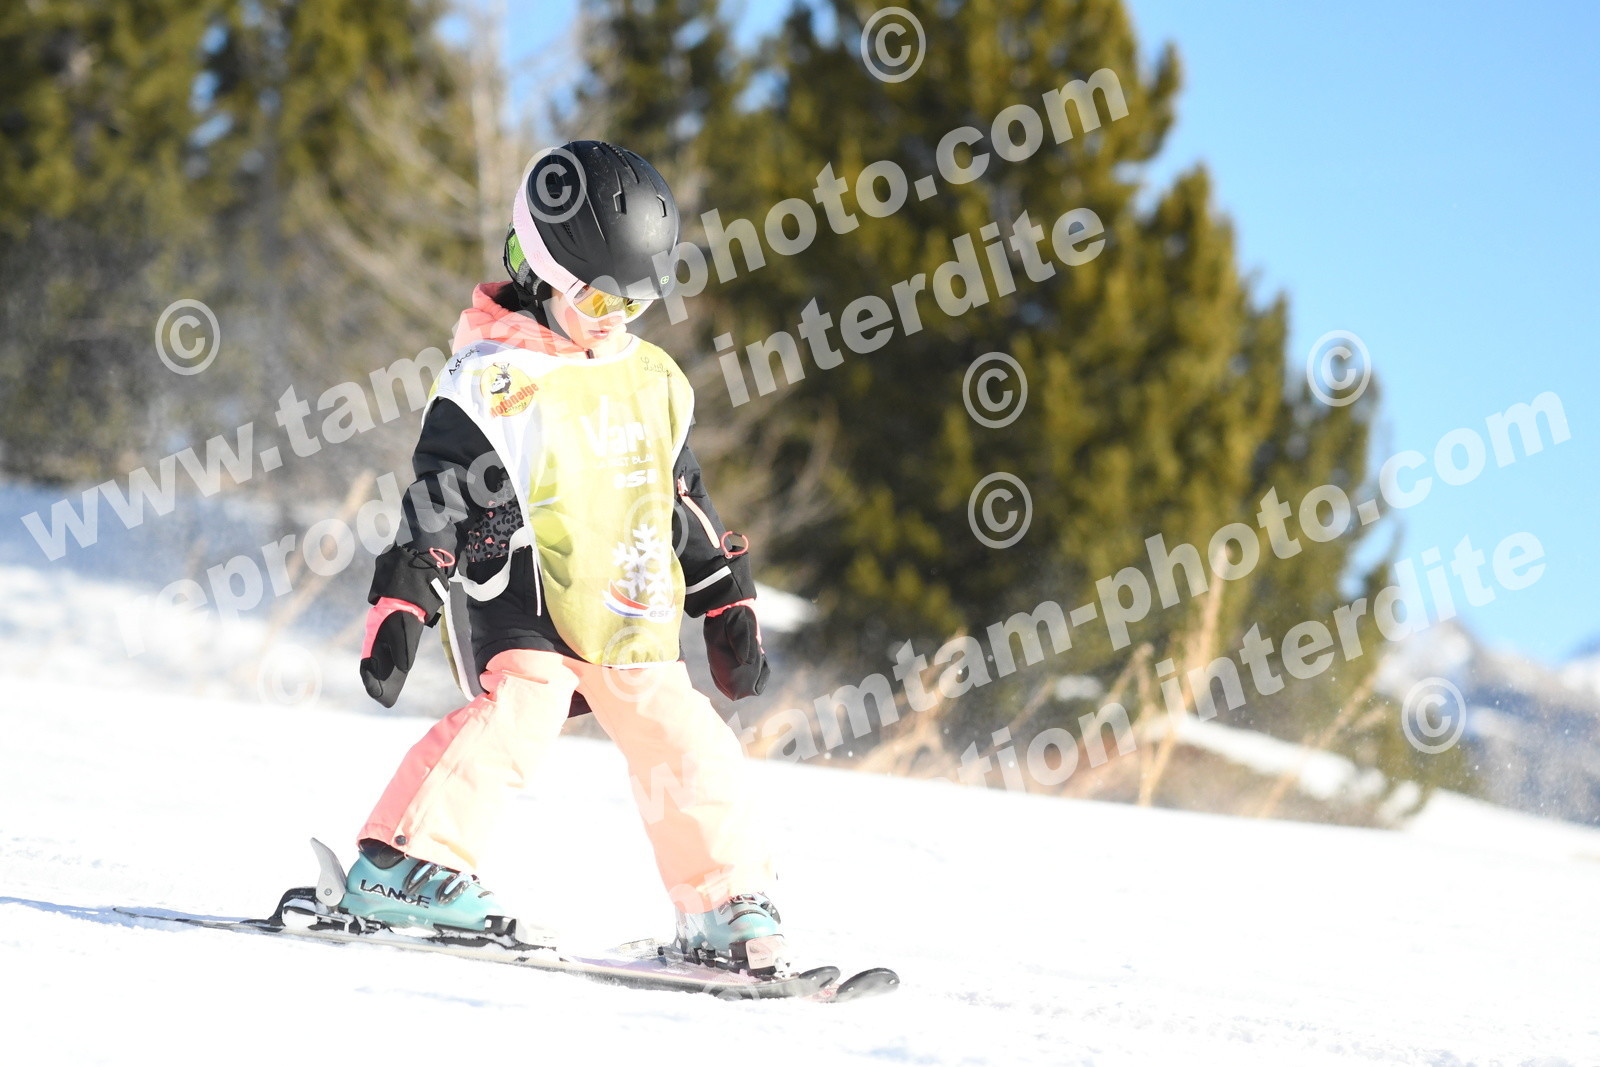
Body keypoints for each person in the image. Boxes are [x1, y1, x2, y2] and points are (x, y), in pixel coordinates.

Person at [346, 140, 784, 973]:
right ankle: (403, 863)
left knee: (685, 737)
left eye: (636, 298)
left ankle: (724, 903)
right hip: (524, 593)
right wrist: (407, 595)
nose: (616, 314)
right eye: (598, 295)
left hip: (630, 602)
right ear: (541, 270)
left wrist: (725, 594)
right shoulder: (492, 378)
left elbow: (679, 493)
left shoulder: (652, 378)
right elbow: (439, 497)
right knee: (522, 711)